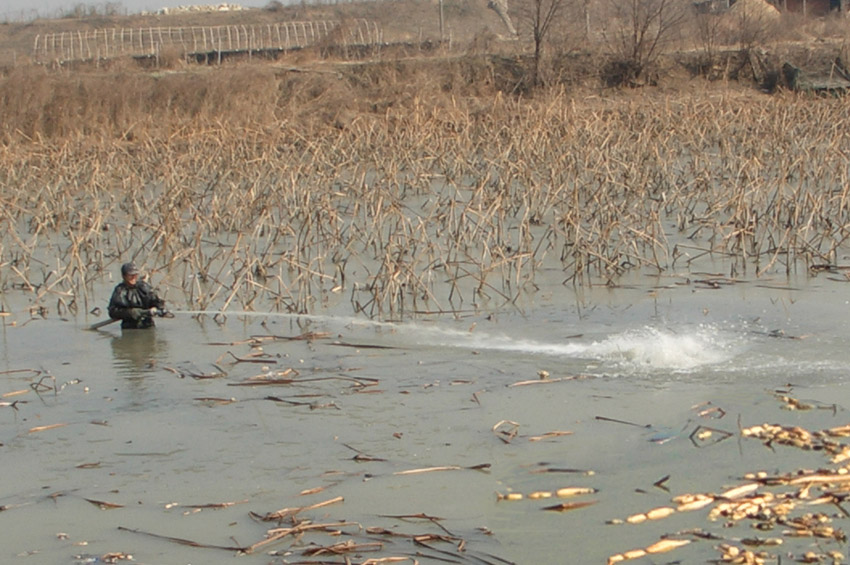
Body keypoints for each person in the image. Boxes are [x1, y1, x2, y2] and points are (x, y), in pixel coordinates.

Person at [108, 262, 166, 329]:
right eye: (130, 275)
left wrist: (158, 307)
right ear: (124, 276)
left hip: (148, 326)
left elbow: (155, 300)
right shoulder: (120, 291)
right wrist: (130, 313)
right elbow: (112, 312)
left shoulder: (144, 286)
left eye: (135, 274)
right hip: (130, 328)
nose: (133, 277)